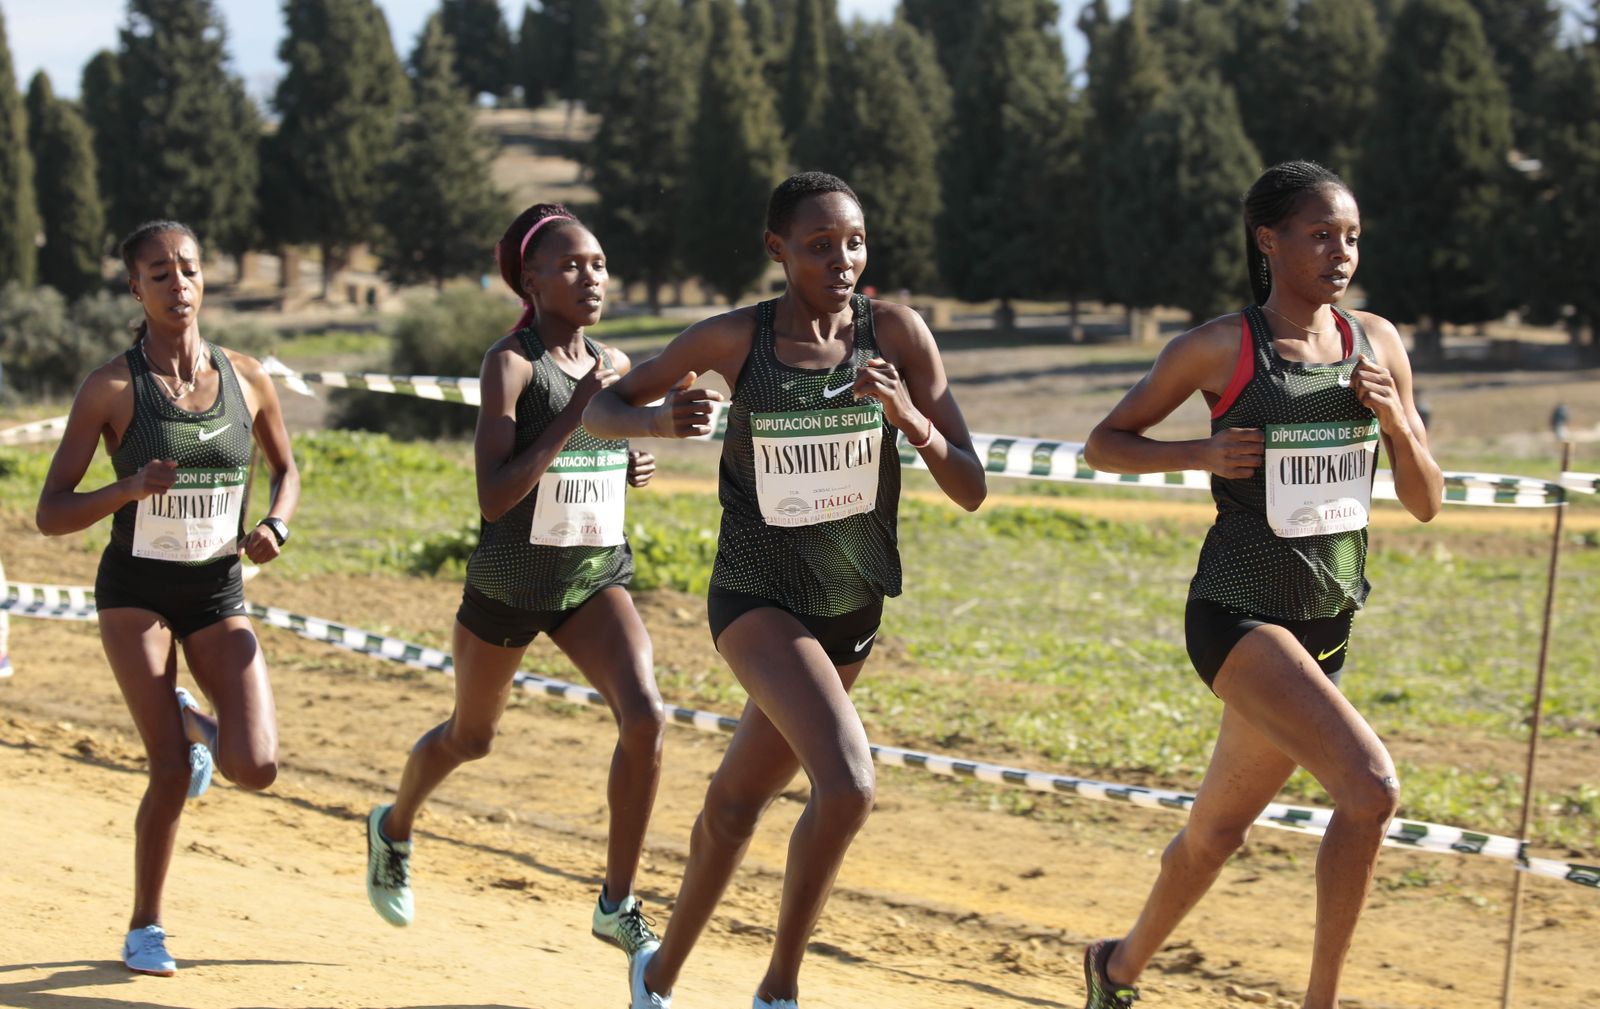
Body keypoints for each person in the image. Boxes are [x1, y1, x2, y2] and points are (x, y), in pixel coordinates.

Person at [585, 172, 988, 1009]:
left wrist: (910, 419)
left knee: (736, 804)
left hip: (852, 609)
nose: (842, 260)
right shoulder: (737, 338)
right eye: (819, 245)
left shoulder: (897, 334)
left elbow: (971, 485)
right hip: (757, 597)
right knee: (848, 785)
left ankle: (654, 977)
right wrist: (659, 422)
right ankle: (779, 991)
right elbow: (602, 409)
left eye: (855, 242)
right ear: (777, 249)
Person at [1080, 161, 1443, 1009]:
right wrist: (1199, 452)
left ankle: (1115, 967)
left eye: (1351, 237)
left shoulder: (1378, 343)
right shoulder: (1221, 346)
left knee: (1216, 833)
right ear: (1268, 240)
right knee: (1371, 789)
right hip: (1238, 615)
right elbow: (1105, 442)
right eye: (1320, 235)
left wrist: (1397, 422)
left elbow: (1426, 499)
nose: (1341, 253)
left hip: (1324, 628)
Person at [363, 204, 667, 963]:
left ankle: (618, 902)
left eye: (598, 264)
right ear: (532, 280)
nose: (591, 277)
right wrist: (577, 416)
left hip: (591, 575)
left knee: (646, 716)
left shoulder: (614, 363)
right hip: (510, 582)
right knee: (471, 738)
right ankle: (394, 826)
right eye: (571, 265)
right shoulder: (512, 364)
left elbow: (613, 439)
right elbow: (495, 496)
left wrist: (631, 455)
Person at [36, 220, 301, 976]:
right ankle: (144, 927)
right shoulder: (112, 388)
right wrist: (125, 488)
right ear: (136, 289)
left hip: (217, 590)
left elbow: (287, 470)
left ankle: (190, 717)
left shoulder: (247, 377)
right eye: (159, 273)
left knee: (256, 766)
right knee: (170, 770)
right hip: (137, 593)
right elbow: (51, 513)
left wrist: (276, 523)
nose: (178, 283)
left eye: (188, 268)